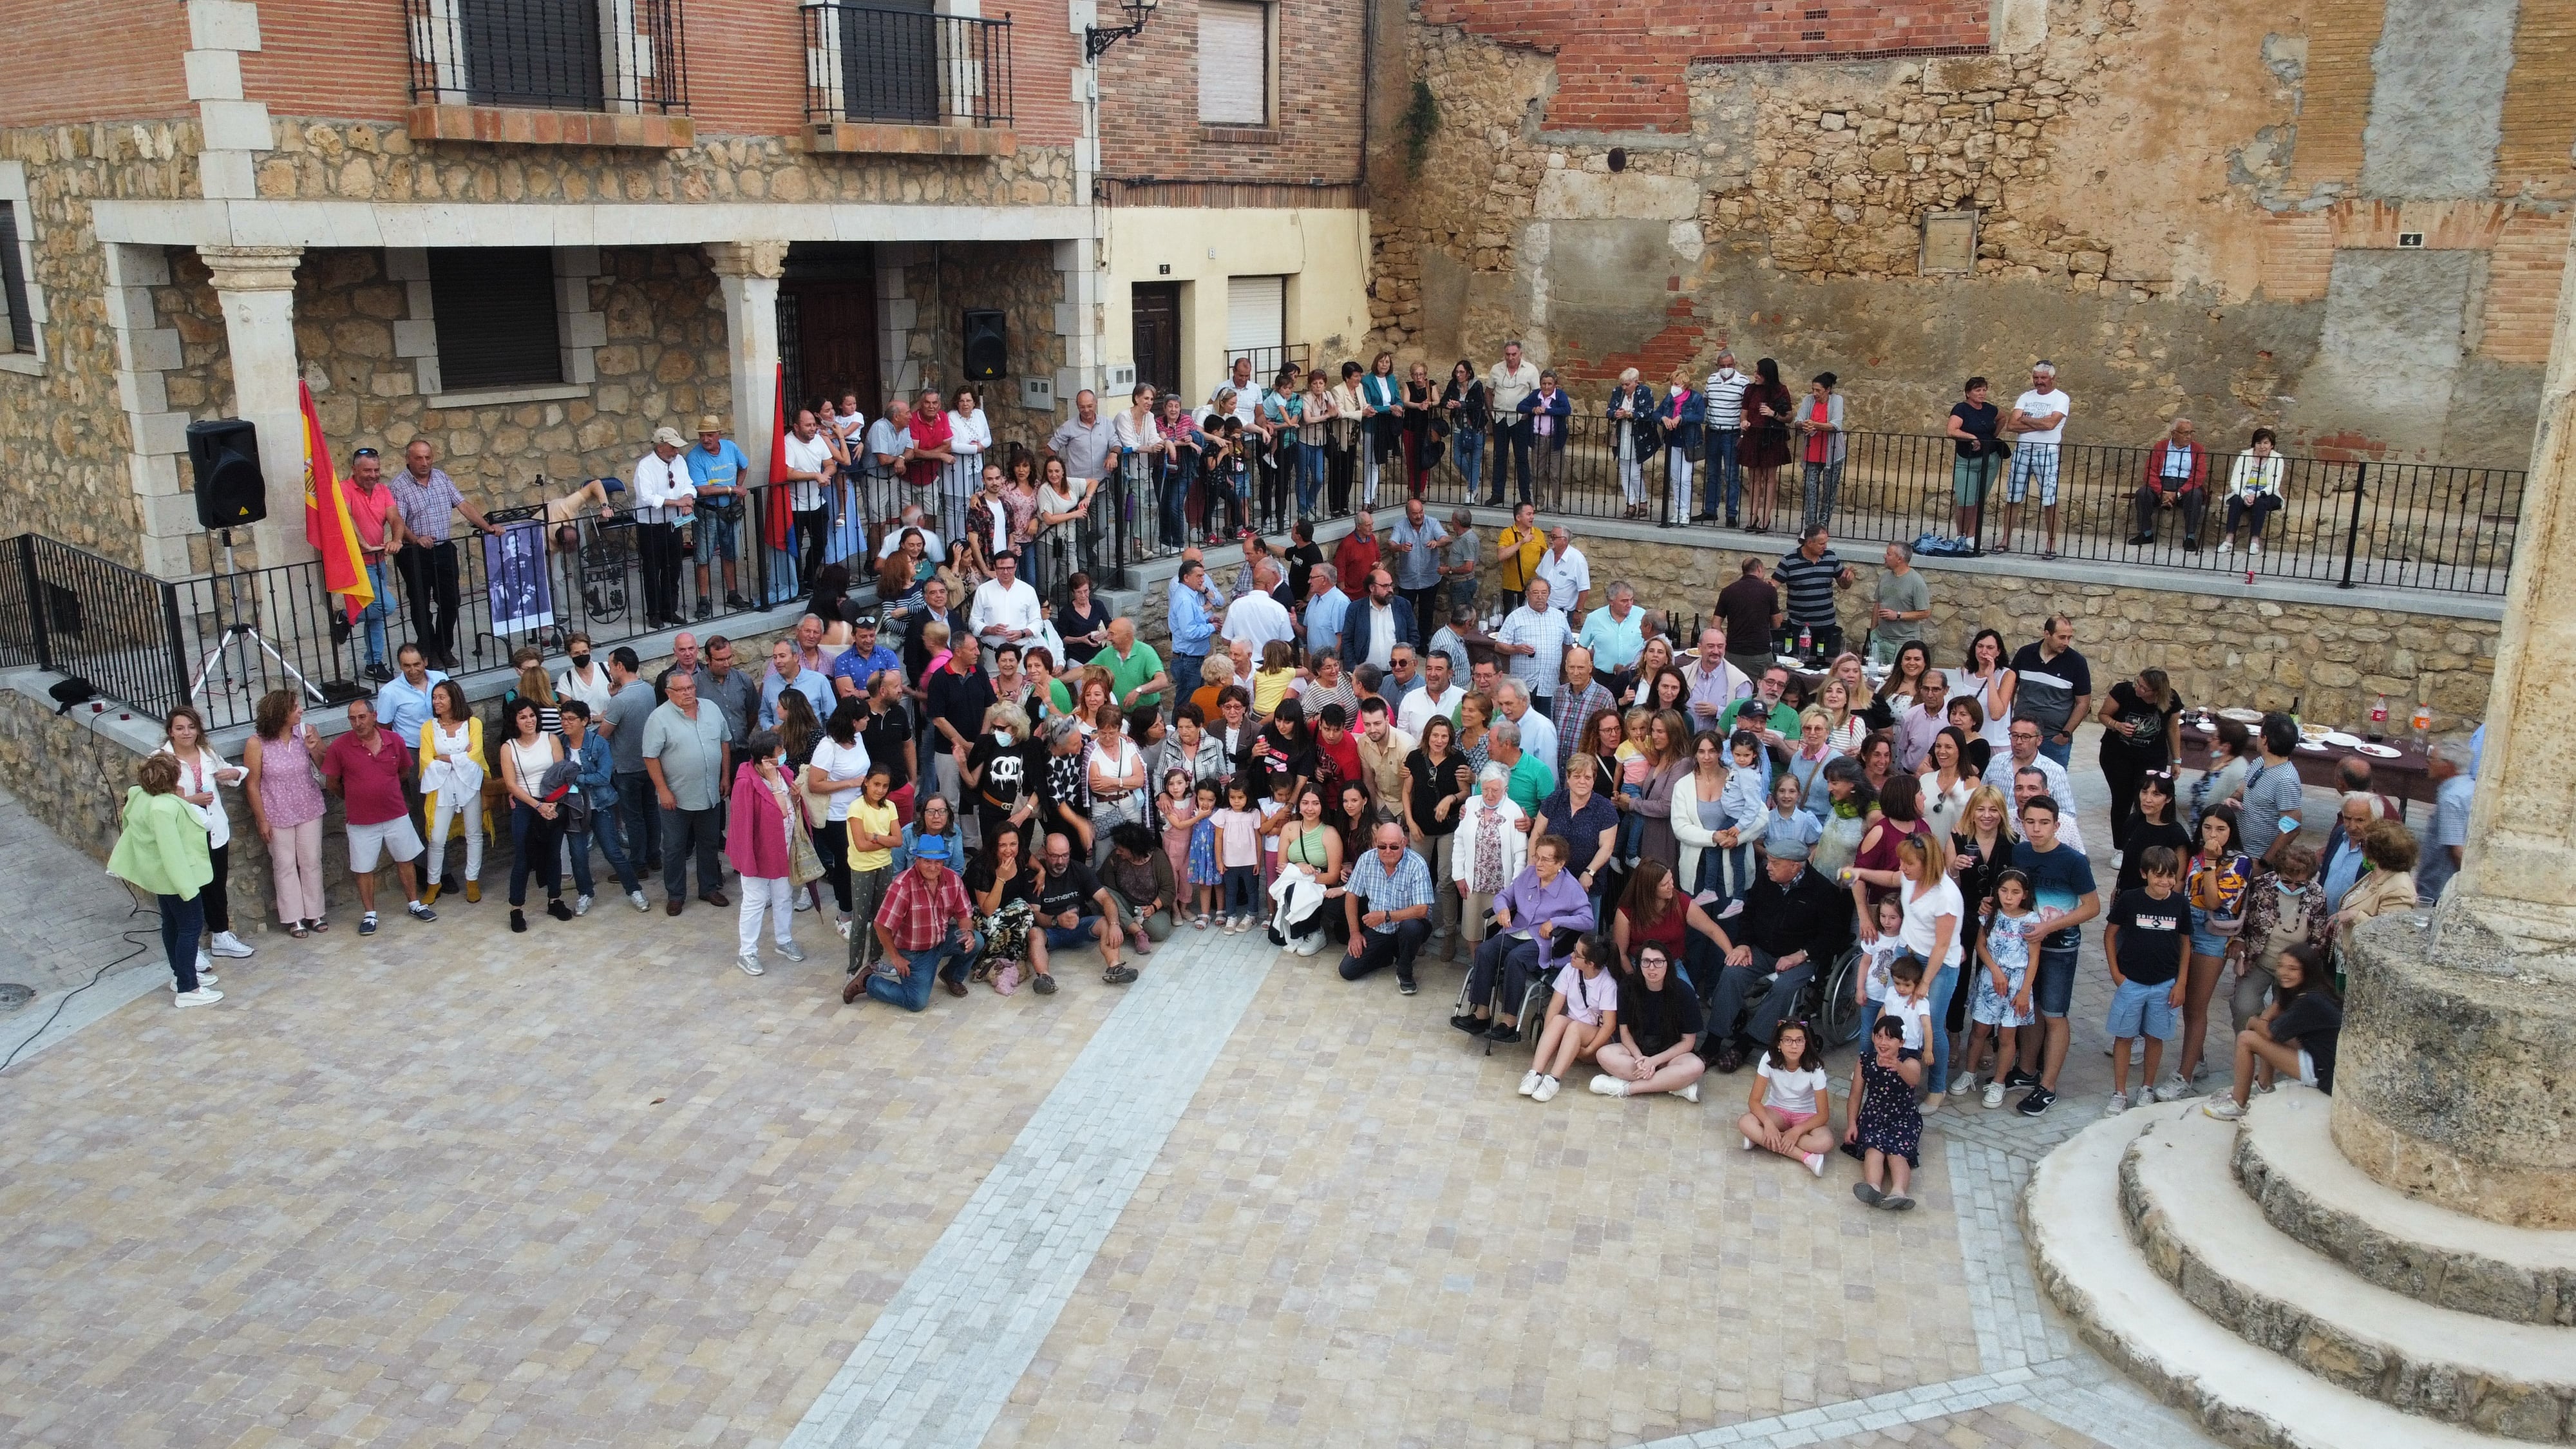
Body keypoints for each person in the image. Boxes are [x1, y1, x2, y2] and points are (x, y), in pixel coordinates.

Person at [1701, 838, 1848, 1070]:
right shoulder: (1766, 879)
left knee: (1785, 987)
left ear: (1795, 866)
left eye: (1774, 863)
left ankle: (1746, 1044)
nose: (1768, 866)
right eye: (1768, 861)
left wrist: (1802, 955)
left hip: (1800, 957)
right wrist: (1743, 943)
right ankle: (1712, 1042)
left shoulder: (1822, 891)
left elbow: (1832, 936)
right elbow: (1748, 914)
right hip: (1762, 950)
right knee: (1732, 972)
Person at [317, 699, 439, 938]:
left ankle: (414, 903)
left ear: (374, 716)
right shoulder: (340, 747)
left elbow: (404, 771)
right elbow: (332, 784)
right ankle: (370, 913)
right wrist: (356, 796)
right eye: (352, 718)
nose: (358, 723)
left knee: (405, 860)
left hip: (395, 813)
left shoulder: (395, 741)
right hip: (361, 820)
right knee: (363, 868)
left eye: (362, 717)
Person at [2009, 793, 2099, 1117]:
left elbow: (2092, 907)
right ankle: (2026, 1070)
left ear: (2057, 825)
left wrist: (2050, 927)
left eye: (2044, 823)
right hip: (2026, 945)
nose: (2036, 829)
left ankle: (2048, 1087)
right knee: (2032, 1009)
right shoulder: (2019, 852)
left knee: (2055, 1014)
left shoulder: (2073, 861)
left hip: (2059, 948)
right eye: (2030, 822)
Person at [1455, 833, 1593, 1043]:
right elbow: (1504, 896)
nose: (1539, 863)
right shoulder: (1529, 874)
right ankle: (1481, 1013)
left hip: (1542, 941)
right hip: (1515, 930)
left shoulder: (1571, 887)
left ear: (1560, 863)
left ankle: (1510, 1022)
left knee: (1516, 959)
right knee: (1485, 951)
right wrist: (1502, 910)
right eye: (1537, 857)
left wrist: (1556, 922)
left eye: (1546, 859)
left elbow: (1587, 920)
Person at [109, 753, 221, 1007]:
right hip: (177, 879)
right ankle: (188, 989)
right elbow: (172, 851)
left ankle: (181, 975)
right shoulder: (166, 808)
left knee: (172, 925)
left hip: (160, 877)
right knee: (190, 928)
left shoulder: (140, 797)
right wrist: (186, 887)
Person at [154, 706, 252, 964]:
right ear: (170, 732)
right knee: (189, 890)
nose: (187, 733)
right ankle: (191, 946)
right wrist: (191, 800)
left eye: (191, 727)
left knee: (216, 886)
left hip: (214, 831)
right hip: (184, 835)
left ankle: (221, 935)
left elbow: (229, 772)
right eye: (180, 728)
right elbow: (157, 797)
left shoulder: (207, 753)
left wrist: (236, 773)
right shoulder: (161, 759)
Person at [2202, 942, 2341, 1120]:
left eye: (2293, 969)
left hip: (2323, 1071)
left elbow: (2268, 1032)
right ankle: (2264, 1085)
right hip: (2321, 1057)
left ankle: (2238, 1104)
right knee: (2262, 1028)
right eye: (2281, 966)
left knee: (2246, 1038)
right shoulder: (2312, 991)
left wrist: (2258, 1019)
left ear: (2307, 971)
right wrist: (2266, 1016)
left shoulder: (2310, 1000)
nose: (2284, 973)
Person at [850, 831, 981, 1010]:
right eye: (927, 861)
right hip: (914, 951)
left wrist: (967, 933)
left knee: (978, 940)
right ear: (917, 860)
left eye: (938, 862)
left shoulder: (953, 879)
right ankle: (868, 981)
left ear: (944, 862)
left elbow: (964, 914)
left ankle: (952, 975)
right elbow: (881, 925)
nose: (933, 867)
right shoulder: (902, 886)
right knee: (916, 1002)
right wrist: (895, 957)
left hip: (941, 939)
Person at [2102, 846, 2189, 1113]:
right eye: (2158, 876)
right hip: (2132, 983)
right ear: (2144, 874)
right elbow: (2110, 935)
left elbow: (2186, 943)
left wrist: (2181, 982)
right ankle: (2120, 1091)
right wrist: (2117, 974)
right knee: (2125, 1037)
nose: (2165, 882)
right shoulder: (2130, 900)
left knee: (2155, 1037)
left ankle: (2147, 1087)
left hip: (2165, 984)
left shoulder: (2179, 903)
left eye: (2170, 876)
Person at [2175, 805, 2252, 1087]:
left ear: (2231, 832)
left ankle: (2183, 1076)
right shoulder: (2193, 854)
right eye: (2208, 828)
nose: (2213, 834)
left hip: (2213, 935)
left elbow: (2213, 901)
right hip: (2186, 930)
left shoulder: (2240, 862)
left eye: (2221, 829)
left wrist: (2209, 862)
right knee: (2185, 1004)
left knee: (2197, 1007)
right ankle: (2197, 1060)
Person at [244, 690, 331, 936]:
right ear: (280, 712)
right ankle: (294, 918)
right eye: (295, 707)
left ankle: (315, 913)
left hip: (309, 806)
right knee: (284, 864)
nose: (301, 710)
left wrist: (314, 749)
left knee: (311, 861)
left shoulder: (306, 731)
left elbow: (326, 767)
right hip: (276, 810)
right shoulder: (256, 743)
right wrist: (261, 820)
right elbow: (252, 784)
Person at [644, 668, 731, 915]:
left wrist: (725, 776)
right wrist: (663, 790)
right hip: (677, 796)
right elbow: (650, 757)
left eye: (690, 687)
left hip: (710, 792)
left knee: (709, 843)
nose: (688, 693)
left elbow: (724, 742)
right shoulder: (658, 719)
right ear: (669, 693)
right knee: (674, 848)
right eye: (681, 690)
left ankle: (709, 888)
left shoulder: (711, 709)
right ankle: (676, 895)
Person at [1956, 867, 2038, 1109]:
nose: (2009, 897)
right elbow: (1981, 945)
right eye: (2004, 891)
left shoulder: (2032, 920)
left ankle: (1999, 1082)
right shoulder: (1991, 915)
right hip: (1991, 981)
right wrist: (1994, 970)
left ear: (2024, 894)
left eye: (2015, 892)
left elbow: (2034, 958)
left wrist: (2024, 992)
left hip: (2016, 986)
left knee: (2006, 1035)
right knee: (1980, 1029)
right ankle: (1969, 1073)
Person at [558, 700, 645, 914]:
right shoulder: (560, 744)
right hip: (573, 807)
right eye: (563, 718)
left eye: (571, 719)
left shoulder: (598, 744)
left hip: (600, 804)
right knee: (578, 854)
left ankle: (634, 890)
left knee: (612, 850)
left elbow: (603, 777)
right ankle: (585, 893)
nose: (565, 723)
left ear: (585, 721)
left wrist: (575, 778)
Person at [496, 697, 572, 933]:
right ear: (515, 721)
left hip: (553, 803)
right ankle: (516, 908)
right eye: (523, 717)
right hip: (526, 805)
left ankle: (554, 900)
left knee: (553, 854)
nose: (529, 721)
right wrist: (537, 806)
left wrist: (552, 804)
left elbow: (562, 774)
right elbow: (511, 784)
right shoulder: (508, 747)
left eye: (531, 715)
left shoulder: (551, 739)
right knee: (522, 857)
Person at [1337, 817, 1437, 991]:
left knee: (1411, 927)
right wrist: (1355, 933)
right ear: (1376, 843)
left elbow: (1422, 909)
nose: (1388, 851)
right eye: (1382, 846)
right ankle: (1385, 956)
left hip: (1407, 926)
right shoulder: (1366, 860)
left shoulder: (1417, 864)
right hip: (1380, 930)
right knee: (1347, 970)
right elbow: (1352, 895)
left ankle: (1405, 972)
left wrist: (1386, 916)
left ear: (1404, 843)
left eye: (1394, 846)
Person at [2098, 667, 2185, 853]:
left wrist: (2176, 760)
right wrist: (2117, 726)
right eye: (2138, 683)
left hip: (2152, 758)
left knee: (2149, 800)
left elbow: (2173, 729)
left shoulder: (2171, 700)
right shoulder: (2123, 691)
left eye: (2144, 688)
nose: (2138, 688)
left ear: (2156, 692)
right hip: (2117, 756)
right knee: (2122, 800)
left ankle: (2146, 843)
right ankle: (2120, 848)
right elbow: (2103, 715)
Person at [1035, 831, 1133, 985]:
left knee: (1106, 922)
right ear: (1045, 853)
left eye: (1065, 855)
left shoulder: (1080, 870)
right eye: (1054, 856)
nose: (1060, 861)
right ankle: (1044, 977)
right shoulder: (1036, 875)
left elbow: (1106, 899)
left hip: (1079, 925)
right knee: (1034, 934)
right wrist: (1056, 921)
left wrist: (1115, 925)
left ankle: (1115, 967)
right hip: (1050, 930)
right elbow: (1034, 914)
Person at [1846, 1017, 1924, 1210]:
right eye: (1879, 1036)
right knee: (1874, 1150)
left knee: (1897, 1154)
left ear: (1902, 1042)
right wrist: (1852, 1124)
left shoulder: (1910, 1062)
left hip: (1903, 1119)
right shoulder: (1865, 1061)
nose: (1883, 1042)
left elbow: (1913, 1079)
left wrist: (1899, 1067)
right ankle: (1873, 1187)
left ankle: (1899, 1192)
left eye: (1890, 1038)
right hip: (1874, 1117)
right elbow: (1855, 1096)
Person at [1998, 361, 2072, 559]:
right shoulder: (2025, 397)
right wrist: (2039, 423)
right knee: (2012, 496)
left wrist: (2026, 419)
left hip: (2047, 451)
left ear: (2052, 378)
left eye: (2043, 378)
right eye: (2036, 377)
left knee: (2050, 499)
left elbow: (2050, 424)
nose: (2039, 382)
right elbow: (2011, 426)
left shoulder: (2061, 398)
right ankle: (2006, 539)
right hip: (2023, 450)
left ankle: (2051, 542)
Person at [688, 414, 757, 613]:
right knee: (703, 557)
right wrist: (733, 490)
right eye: (702, 435)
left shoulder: (730, 447)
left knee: (730, 554)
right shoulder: (694, 457)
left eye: (710, 435)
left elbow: (744, 466)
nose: (705, 439)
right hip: (707, 512)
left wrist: (738, 486)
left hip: (729, 510)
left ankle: (733, 594)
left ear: (719, 434)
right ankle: (703, 600)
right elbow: (702, 490)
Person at [2007, 615, 2092, 773]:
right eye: (2062, 637)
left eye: (2069, 638)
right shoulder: (2025, 654)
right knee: (2018, 781)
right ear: (2047, 634)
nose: (2066, 642)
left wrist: (2065, 734)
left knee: (2052, 787)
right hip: (2022, 736)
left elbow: (2083, 703)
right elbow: (2010, 689)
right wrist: (2009, 721)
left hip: (2054, 740)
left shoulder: (2077, 663)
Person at [632, 425, 696, 629]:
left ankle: (670, 609)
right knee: (652, 569)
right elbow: (647, 496)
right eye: (672, 447)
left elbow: (687, 484)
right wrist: (677, 503)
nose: (676, 452)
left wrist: (687, 497)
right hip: (650, 525)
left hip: (672, 524)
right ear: (661, 446)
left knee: (673, 567)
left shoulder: (679, 462)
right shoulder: (645, 466)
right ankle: (654, 613)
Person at [2235, 713, 2307, 867]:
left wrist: (2263, 864)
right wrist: (2232, 801)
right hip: (2239, 851)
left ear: (2265, 740)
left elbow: (2292, 828)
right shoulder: (2259, 762)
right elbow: (2242, 792)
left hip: (2257, 859)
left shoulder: (2285, 781)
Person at [1775, 525, 1856, 662]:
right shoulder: (1789, 560)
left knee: (1823, 663)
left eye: (1826, 543)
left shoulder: (1830, 557)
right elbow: (1773, 586)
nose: (1825, 547)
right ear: (1809, 542)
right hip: (1799, 626)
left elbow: (1843, 585)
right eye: (1821, 543)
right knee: (1797, 662)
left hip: (1826, 625)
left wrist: (1847, 579)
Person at [1493, 577, 1572, 718]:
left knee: (1546, 722)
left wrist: (1566, 673)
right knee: (1519, 722)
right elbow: (1499, 645)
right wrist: (1517, 649)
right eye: (1536, 593)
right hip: (1523, 684)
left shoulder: (1559, 617)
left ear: (1549, 594)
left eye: (1544, 593)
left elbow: (1568, 646)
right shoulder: (1515, 617)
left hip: (1549, 683)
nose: (1540, 597)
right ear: (1527, 594)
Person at [2128, 417, 2208, 549]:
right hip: (2162, 484)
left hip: (2185, 485)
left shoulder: (2197, 449)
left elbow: (2199, 476)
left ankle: (2189, 537)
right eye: (2185, 433)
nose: (2189, 437)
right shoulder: (2161, 446)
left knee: (2196, 496)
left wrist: (2178, 493)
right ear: (2174, 434)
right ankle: (2146, 533)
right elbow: (2150, 472)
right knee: (2143, 493)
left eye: (2191, 433)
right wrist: (2162, 493)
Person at [1101, 822, 1179, 955]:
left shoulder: (1158, 857)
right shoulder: (1115, 857)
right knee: (1104, 893)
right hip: (1125, 904)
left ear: (1134, 848)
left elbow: (1169, 890)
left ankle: (1126, 924)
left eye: (1121, 849)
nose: (1118, 852)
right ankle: (1137, 932)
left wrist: (1153, 907)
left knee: (1159, 931)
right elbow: (1104, 884)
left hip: (1151, 908)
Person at [1738, 358, 1794, 534]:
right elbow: (1744, 414)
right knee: (1754, 477)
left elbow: (1789, 417)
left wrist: (1773, 414)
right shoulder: (1750, 390)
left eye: (1759, 373)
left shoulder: (1780, 390)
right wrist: (1744, 422)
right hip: (1753, 436)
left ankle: (1766, 516)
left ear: (1767, 374)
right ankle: (1753, 515)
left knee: (1770, 478)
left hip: (1771, 437)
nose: (1756, 375)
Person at [1944, 375, 2003, 542]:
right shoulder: (1961, 409)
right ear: (1968, 393)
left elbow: (2002, 418)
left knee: (1979, 500)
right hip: (1967, 460)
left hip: (1989, 460)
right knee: (1965, 501)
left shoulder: (1990, 409)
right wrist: (1971, 437)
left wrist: (1992, 436)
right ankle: (1960, 535)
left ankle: (1972, 537)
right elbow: (1951, 431)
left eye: (1984, 390)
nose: (1982, 393)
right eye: (1978, 390)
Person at [2419, 738, 2474, 904]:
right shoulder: (2469, 787)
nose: (2428, 762)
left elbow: (2457, 851)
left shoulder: (2451, 799)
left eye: (2432, 759)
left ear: (2447, 765)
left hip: (2438, 888)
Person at [1485, 341, 1540, 505]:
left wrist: (1527, 413)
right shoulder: (1496, 369)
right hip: (1500, 419)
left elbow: (1537, 394)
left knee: (1522, 458)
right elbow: (1488, 392)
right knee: (1499, 457)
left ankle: (1525, 498)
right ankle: (1497, 494)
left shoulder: (1530, 370)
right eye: (1508, 354)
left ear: (1520, 354)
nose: (1510, 358)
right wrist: (1491, 413)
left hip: (1520, 420)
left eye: (1514, 354)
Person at [1700, 350, 1752, 524]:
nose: (1726, 369)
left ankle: (1731, 514)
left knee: (1732, 475)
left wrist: (1743, 434)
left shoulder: (1743, 382)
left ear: (1734, 365)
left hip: (1732, 434)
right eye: (1722, 366)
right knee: (1712, 473)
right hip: (1714, 432)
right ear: (1717, 366)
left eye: (1729, 365)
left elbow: (1747, 409)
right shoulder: (1711, 380)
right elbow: (1705, 401)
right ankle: (1710, 510)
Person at [2217, 428, 2287, 556]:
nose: (2262, 447)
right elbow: (2235, 482)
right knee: (2236, 500)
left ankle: (2255, 542)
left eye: (2266, 443)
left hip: (2267, 494)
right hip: (2245, 492)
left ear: (2272, 445)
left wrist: (2257, 495)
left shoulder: (2278, 459)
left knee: (2260, 503)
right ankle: (2228, 541)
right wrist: (2245, 495)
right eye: (2259, 443)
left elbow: (2274, 485)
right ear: (2254, 444)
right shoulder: (2245, 457)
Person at [1792, 371, 1847, 529]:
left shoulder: (1837, 400)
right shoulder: (1808, 401)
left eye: (1818, 390)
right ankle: (1811, 527)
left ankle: (1823, 526)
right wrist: (1804, 424)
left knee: (1829, 491)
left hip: (1832, 451)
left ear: (1828, 390)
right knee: (1810, 489)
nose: (1814, 393)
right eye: (1813, 390)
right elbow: (1798, 420)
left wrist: (1815, 425)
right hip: (1813, 450)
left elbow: (1836, 424)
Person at [1869, 542, 1931, 667]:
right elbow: (1878, 604)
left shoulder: (1916, 582)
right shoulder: (1885, 577)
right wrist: (1872, 633)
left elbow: (1925, 612)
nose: (1884, 556)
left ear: (1899, 559)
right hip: (1880, 639)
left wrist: (1897, 615)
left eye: (1888, 554)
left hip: (1903, 643)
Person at [1438, 507, 1482, 620]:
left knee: (1462, 618)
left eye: (1453, 520)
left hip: (1463, 584)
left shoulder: (1468, 540)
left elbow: (1468, 567)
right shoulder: (1462, 538)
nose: (1451, 522)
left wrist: (1449, 570)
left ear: (1457, 522)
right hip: (1460, 584)